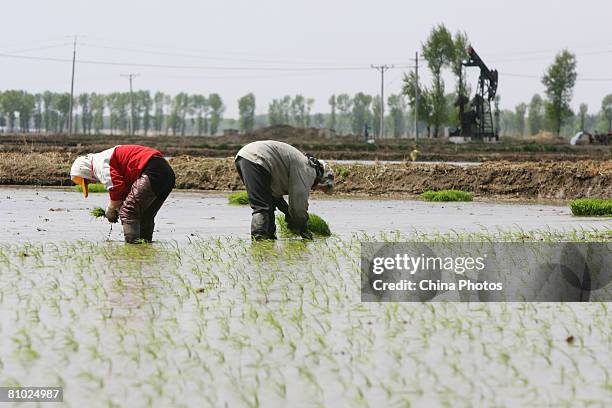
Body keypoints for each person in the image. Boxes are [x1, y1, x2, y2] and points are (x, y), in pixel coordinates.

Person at [70, 144, 175, 243]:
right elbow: (126, 193)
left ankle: (132, 249)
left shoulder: (100, 164)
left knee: (128, 212)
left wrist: (110, 210)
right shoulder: (104, 158)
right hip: (166, 173)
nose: (91, 182)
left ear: (85, 171)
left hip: (152, 170)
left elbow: (117, 189)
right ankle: (145, 249)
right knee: (144, 215)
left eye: (87, 181)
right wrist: (119, 206)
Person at [235, 140, 334, 240]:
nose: (316, 189)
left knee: (268, 203)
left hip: (243, 158)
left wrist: (287, 213)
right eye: (321, 188)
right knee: (262, 206)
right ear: (321, 177)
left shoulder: (299, 165)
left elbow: (275, 197)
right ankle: (259, 239)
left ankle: (268, 239)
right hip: (258, 158)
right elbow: (298, 206)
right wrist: (303, 228)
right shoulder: (309, 169)